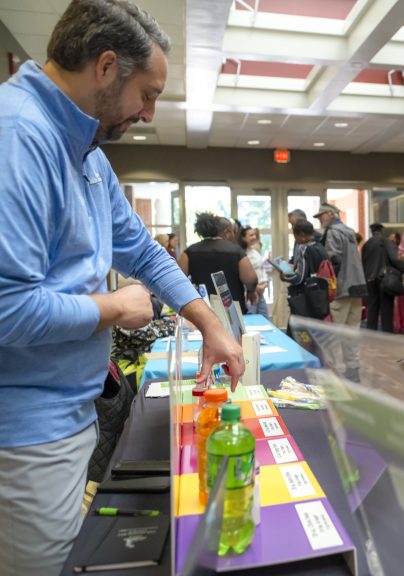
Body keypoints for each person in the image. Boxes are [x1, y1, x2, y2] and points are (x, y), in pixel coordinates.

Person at [0, 2, 244, 574]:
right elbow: (7, 307)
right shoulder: (19, 135)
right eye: (148, 93)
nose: (149, 112)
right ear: (106, 66)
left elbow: (141, 251)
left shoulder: (87, 154)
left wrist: (209, 322)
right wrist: (114, 307)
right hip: (27, 433)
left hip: (68, 415)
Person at [314, 202, 367, 377]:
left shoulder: (333, 232)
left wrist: (325, 285)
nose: (320, 220)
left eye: (321, 216)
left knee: (333, 334)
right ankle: (353, 372)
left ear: (330, 214)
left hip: (341, 289)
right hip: (357, 287)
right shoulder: (350, 231)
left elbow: (333, 261)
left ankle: (330, 372)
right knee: (352, 333)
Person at [180, 213, 258, 315]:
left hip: (202, 310)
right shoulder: (236, 251)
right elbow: (251, 279)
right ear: (227, 232)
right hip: (233, 311)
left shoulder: (189, 252)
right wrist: (251, 292)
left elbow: (179, 280)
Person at [282, 219, 331, 320]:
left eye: (295, 236)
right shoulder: (320, 247)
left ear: (302, 234)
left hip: (306, 297)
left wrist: (285, 275)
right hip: (320, 294)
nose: (295, 240)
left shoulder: (304, 248)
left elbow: (300, 278)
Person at [361, 223, 404, 332]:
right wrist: (403, 270)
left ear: (372, 231)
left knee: (372, 308)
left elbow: (363, 262)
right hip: (385, 279)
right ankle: (387, 336)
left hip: (370, 279)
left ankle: (371, 336)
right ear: (381, 231)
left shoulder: (366, 244)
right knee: (386, 309)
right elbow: (395, 259)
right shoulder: (387, 242)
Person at [240, 226, 270, 318]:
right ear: (243, 238)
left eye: (254, 235)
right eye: (251, 235)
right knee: (252, 321)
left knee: (265, 319)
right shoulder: (241, 254)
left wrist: (264, 284)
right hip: (250, 294)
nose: (254, 237)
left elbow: (261, 269)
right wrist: (255, 288)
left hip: (261, 293)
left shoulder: (254, 251)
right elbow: (243, 275)